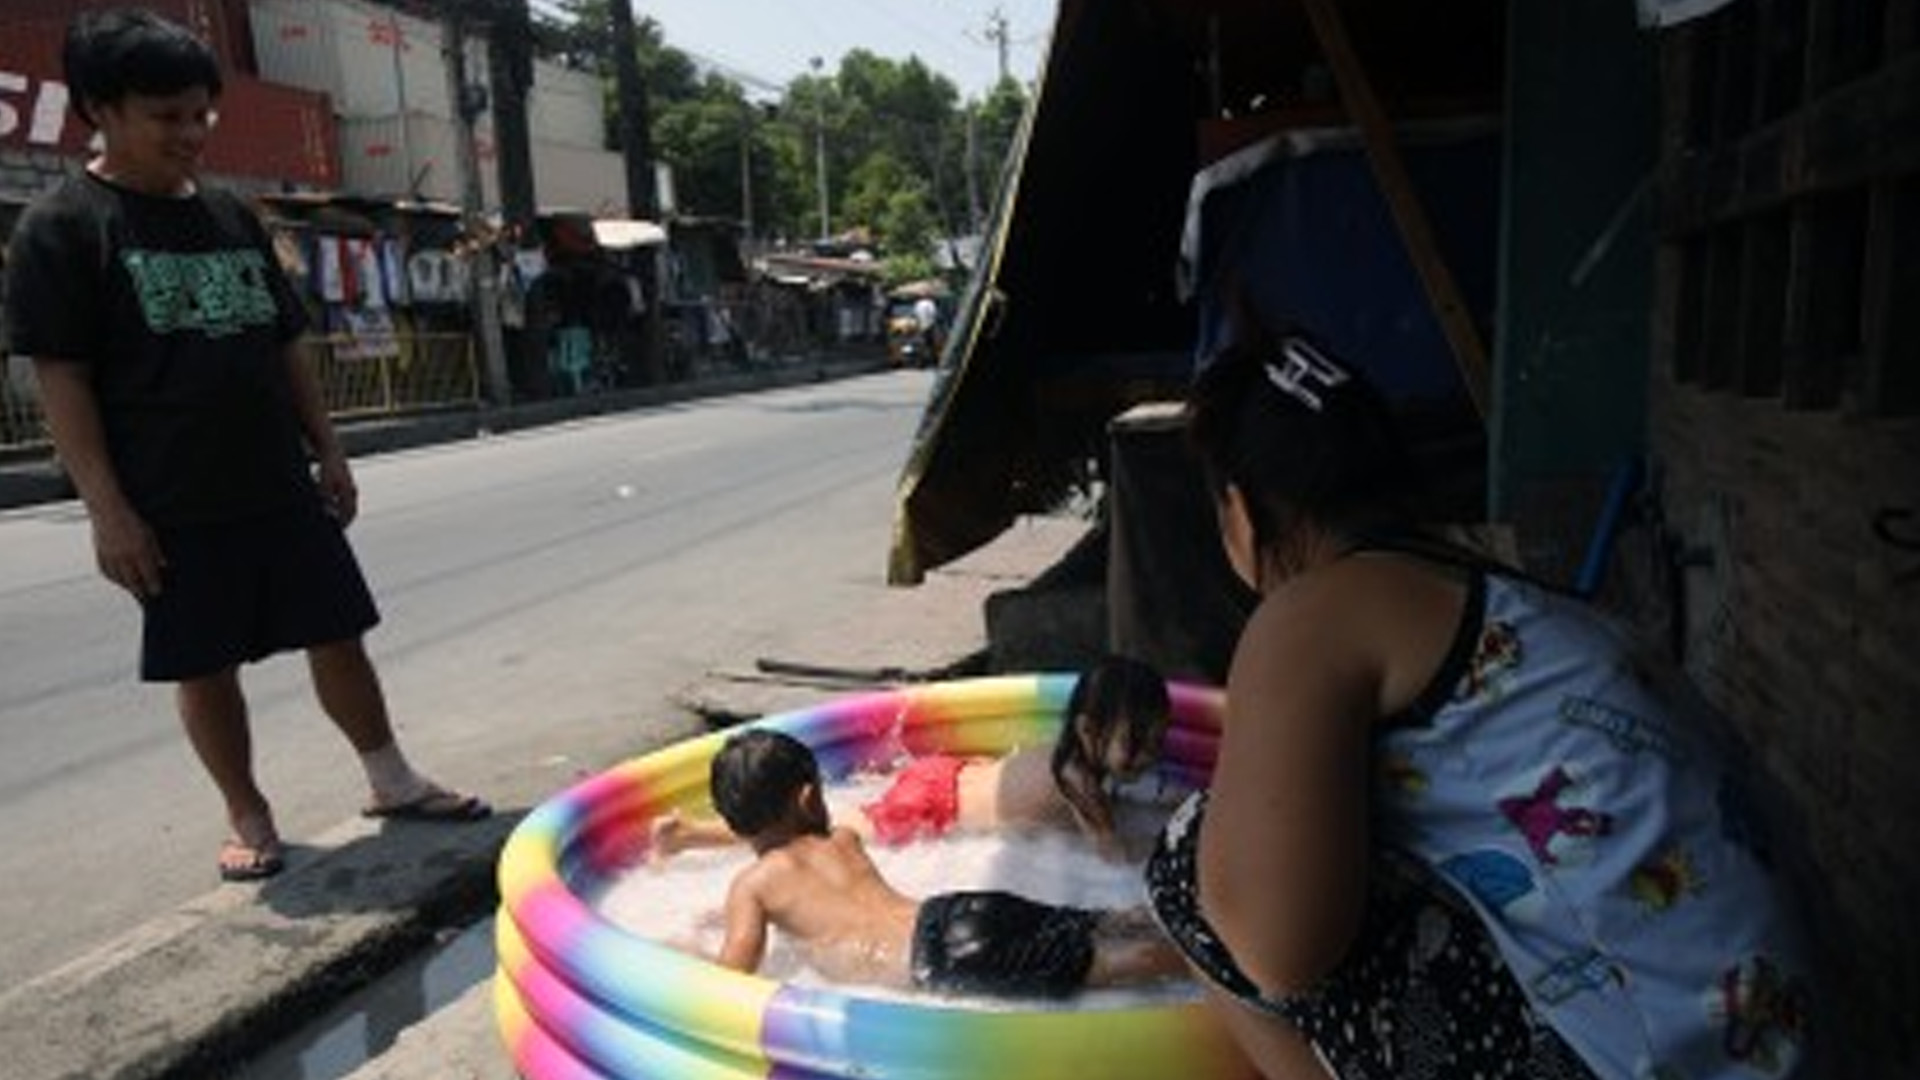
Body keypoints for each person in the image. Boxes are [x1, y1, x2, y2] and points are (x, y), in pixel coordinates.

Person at [1143, 325, 1815, 1078]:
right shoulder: (1510, 594)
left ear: (1238, 512)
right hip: (1772, 1040)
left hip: (1648, 1057)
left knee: (1189, 857)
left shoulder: (1311, 615)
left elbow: (1280, 951)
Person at [1, 8, 487, 884]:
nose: (191, 134)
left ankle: (391, 779)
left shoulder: (230, 213)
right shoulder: (63, 227)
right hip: (168, 499)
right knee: (204, 662)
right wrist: (108, 512)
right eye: (167, 116)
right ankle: (248, 813)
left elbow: (284, 342)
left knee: (338, 631)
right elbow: (61, 377)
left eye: (202, 114)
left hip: (276, 478)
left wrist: (328, 450)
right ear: (100, 111)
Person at [699, 728, 1184, 998]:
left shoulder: (753, 885)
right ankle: (1179, 921)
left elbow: (732, 978)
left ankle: (1204, 964)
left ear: (735, 825)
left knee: (1109, 966)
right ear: (809, 799)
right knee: (1094, 925)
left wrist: (694, 954)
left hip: (938, 959)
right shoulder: (842, 840)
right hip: (954, 910)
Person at [652, 654, 1172, 861]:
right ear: (1088, 730)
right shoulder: (1079, 783)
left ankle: (693, 834)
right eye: (1139, 742)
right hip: (933, 806)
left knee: (836, 817)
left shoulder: (1068, 757)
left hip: (950, 773)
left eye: (1158, 739)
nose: (1151, 754)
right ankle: (691, 835)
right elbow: (1112, 861)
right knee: (820, 831)